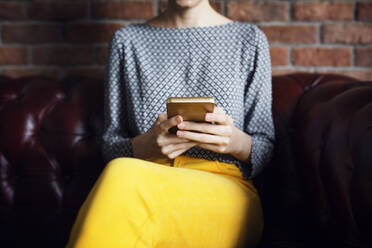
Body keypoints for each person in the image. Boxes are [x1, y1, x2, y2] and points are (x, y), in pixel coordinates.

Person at [66, 0, 275, 247]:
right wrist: (142, 146)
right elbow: (111, 143)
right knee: (122, 173)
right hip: (144, 178)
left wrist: (234, 141)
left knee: (122, 174)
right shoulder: (127, 41)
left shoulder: (249, 39)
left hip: (224, 189)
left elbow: (265, 145)